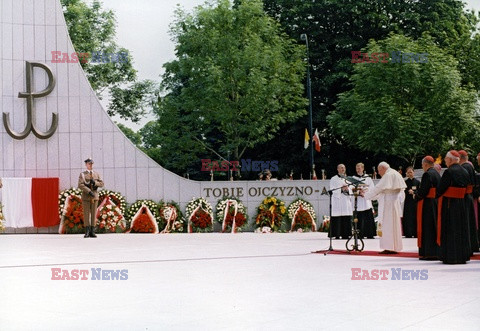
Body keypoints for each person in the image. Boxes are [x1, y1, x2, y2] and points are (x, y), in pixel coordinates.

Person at [363, 162, 406, 254]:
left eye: (379, 170)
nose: (378, 173)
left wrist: (366, 195)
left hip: (387, 204)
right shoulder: (395, 173)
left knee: (387, 226)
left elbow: (378, 188)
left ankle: (389, 247)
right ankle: (394, 247)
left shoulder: (388, 175)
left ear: (382, 168)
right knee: (393, 226)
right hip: (393, 203)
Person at [436, 150, 470, 264]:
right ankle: (462, 256)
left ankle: (451, 256)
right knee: (461, 229)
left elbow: (440, 189)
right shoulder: (465, 171)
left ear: (450, 159)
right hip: (461, 203)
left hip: (450, 204)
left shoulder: (449, 172)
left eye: (446, 158)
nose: (445, 160)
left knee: (450, 229)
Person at [415, 156, 441, 260]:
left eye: (422, 165)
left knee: (427, 227)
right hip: (435, 202)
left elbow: (423, 191)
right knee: (434, 227)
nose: (422, 167)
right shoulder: (436, 173)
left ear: (425, 164)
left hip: (427, 205)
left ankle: (429, 252)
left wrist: (416, 195)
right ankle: (435, 251)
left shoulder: (427, 174)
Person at [458, 150, 479, 253]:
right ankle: (473, 245)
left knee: (466, 222)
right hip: (469, 196)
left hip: (465, 196)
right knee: (471, 222)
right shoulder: (470, 166)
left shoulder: (464, 167)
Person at [78, 158, 104, 238]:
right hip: (86, 196)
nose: (90, 165)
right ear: (86, 164)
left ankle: (92, 231)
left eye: (91, 164)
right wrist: (89, 191)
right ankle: (87, 231)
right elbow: (80, 185)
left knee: (93, 214)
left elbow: (102, 183)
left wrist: (95, 183)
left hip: (95, 196)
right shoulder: (82, 174)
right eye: (89, 164)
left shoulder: (96, 174)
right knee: (86, 214)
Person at [352, 162, 376, 239]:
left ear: (363, 168)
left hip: (366, 200)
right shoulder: (353, 178)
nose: (358, 170)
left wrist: (365, 193)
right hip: (358, 201)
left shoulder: (368, 178)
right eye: (357, 168)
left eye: (359, 168)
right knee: (359, 218)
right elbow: (351, 188)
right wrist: (359, 192)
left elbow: (372, 188)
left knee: (368, 217)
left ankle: (370, 233)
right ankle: (360, 234)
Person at [329, 164, 353, 239]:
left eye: (344, 168)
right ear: (337, 169)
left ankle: (346, 234)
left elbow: (352, 188)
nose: (343, 169)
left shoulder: (348, 178)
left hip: (345, 200)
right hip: (338, 201)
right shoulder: (333, 179)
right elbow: (332, 189)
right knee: (337, 216)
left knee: (346, 217)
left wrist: (348, 189)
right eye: (341, 168)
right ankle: (337, 234)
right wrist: (341, 189)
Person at [403, 166, 420, 238]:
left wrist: (414, 192)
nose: (410, 174)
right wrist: (408, 191)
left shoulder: (417, 182)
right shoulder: (405, 182)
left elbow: (420, 191)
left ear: (414, 172)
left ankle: (416, 232)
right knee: (408, 217)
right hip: (408, 202)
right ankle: (408, 233)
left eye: (411, 172)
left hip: (415, 202)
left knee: (415, 216)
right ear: (406, 173)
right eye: (408, 172)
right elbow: (402, 190)